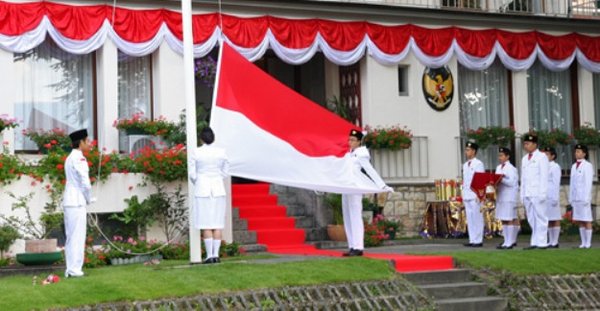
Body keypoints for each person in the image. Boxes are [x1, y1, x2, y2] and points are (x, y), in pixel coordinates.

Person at [342, 129, 392, 257]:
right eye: (349, 140)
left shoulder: (361, 154)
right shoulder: (348, 153)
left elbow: (370, 170)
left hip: (355, 188)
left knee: (355, 216)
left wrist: (382, 185)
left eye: (353, 140)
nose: (350, 142)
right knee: (347, 216)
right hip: (345, 187)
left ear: (359, 142)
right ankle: (352, 245)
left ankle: (358, 247)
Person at [189, 127, 230, 263]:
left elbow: (192, 173)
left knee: (206, 224)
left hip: (202, 188)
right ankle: (216, 255)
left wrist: (198, 180)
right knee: (217, 224)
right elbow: (226, 169)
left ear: (201, 138)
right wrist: (219, 177)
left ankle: (209, 255)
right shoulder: (221, 152)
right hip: (218, 188)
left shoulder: (196, 152)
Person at [63, 129, 93, 278]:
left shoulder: (69, 157)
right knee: (77, 236)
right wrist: (88, 198)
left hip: (69, 200)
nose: (89, 144)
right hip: (77, 201)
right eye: (87, 141)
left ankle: (70, 269)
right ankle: (75, 270)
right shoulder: (79, 158)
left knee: (71, 236)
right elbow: (85, 184)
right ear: (80, 142)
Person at [520, 134, 549, 250]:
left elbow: (544, 176)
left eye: (528, 143)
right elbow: (523, 178)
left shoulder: (542, 157)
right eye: (525, 143)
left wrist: (542, 193)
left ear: (535, 144)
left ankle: (542, 242)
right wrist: (522, 194)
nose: (526, 146)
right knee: (531, 218)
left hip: (537, 192)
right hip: (528, 192)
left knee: (541, 217)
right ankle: (535, 241)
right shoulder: (524, 158)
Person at [568, 144, 594, 249]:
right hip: (576, 198)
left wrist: (587, 198)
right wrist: (571, 198)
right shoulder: (574, 166)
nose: (577, 153)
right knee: (580, 220)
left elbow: (588, 183)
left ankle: (588, 242)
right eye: (576, 151)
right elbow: (572, 183)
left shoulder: (588, 165)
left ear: (584, 153)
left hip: (584, 198)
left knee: (587, 220)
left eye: (579, 151)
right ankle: (583, 242)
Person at [495, 147, 519, 249]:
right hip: (501, 195)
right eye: (499, 155)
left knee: (509, 218)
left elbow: (512, 182)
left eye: (502, 155)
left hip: (509, 196)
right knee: (504, 219)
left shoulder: (511, 168)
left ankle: (510, 242)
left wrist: (501, 179)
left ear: (507, 156)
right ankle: (506, 241)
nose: (499, 157)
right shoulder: (498, 168)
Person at [462, 142, 485, 247]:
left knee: (477, 217)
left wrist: (479, 195)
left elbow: (480, 180)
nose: (466, 152)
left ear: (473, 151)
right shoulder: (465, 165)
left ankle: (478, 240)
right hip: (467, 194)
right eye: (466, 150)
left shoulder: (478, 164)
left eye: (468, 150)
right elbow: (465, 181)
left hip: (475, 194)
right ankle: (472, 239)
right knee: (470, 218)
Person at [544, 147, 562, 248]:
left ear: (553, 156)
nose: (545, 156)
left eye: (547, 154)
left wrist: (555, 197)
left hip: (552, 195)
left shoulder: (555, 167)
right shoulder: (544, 166)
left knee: (555, 218)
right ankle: (550, 240)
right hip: (545, 195)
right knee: (549, 219)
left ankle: (555, 241)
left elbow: (556, 183)